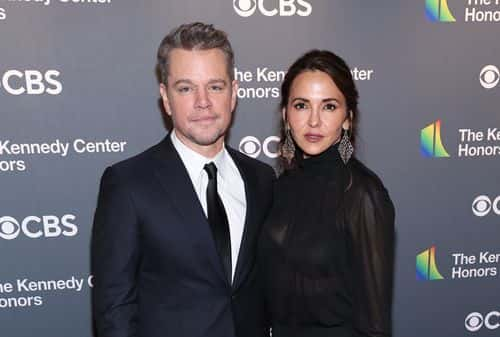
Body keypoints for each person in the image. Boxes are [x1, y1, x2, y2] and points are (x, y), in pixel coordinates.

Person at [91, 22, 274, 337]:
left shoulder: (262, 178)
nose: (203, 101)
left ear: (234, 92)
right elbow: (114, 308)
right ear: (165, 96)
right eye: (186, 88)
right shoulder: (128, 184)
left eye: (215, 86)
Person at [259, 50, 395, 337]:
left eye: (329, 107)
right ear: (285, 114)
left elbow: (376, 324)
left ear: (348, 118)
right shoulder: (280, 186)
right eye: (301, 105)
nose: (314, 121)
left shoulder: (362, 194)